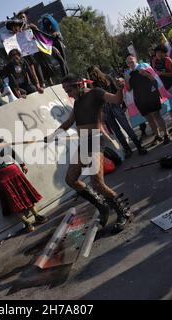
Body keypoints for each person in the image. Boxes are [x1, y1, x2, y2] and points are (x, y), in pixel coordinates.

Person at [45, 74, 132, 234]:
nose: (67, 93)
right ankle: (102, 206)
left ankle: (123, 212)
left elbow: (117, 100)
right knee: (70, 179)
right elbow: (69, 122)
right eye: (65, 90)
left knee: (97, 182)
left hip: (96, 140)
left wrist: (120, 88)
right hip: (84, 143)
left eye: (69, 89)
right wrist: (52, 135)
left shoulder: (96, 93)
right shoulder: (77, 102)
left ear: (79, 85)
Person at [0, 127, 48, 232]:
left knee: (25, 193)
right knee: (12, 199)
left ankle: (37, 215)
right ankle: (27, 223)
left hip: (14, 172)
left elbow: (13, 153)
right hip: (0, 177)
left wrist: (22, 164)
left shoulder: (2, 143)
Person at [87, 66, 147, 158]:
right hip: (106, 107)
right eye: (91, 75)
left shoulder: (106, 78)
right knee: (117, 130)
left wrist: (122, 103)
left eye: (93, 74)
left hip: (113, 104)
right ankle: (129, 149)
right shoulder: (93, 84)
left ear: (97, 72)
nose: (92, 76)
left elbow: (117, 90)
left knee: (125, 127)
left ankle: (138, 146)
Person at [125, 55, 172, 146]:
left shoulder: (144, 66)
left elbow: (155, 80)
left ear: (135, 59)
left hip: (151, 95)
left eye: (131, 60)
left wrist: (146, 74)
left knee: (156, 115)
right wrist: (126, 80)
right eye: (128, 62)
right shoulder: (128, 73)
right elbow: (129, 89)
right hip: (140, 99)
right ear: (127, 64)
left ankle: (166, 134)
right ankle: (157, 136)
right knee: (149, 119)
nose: (130, 63)